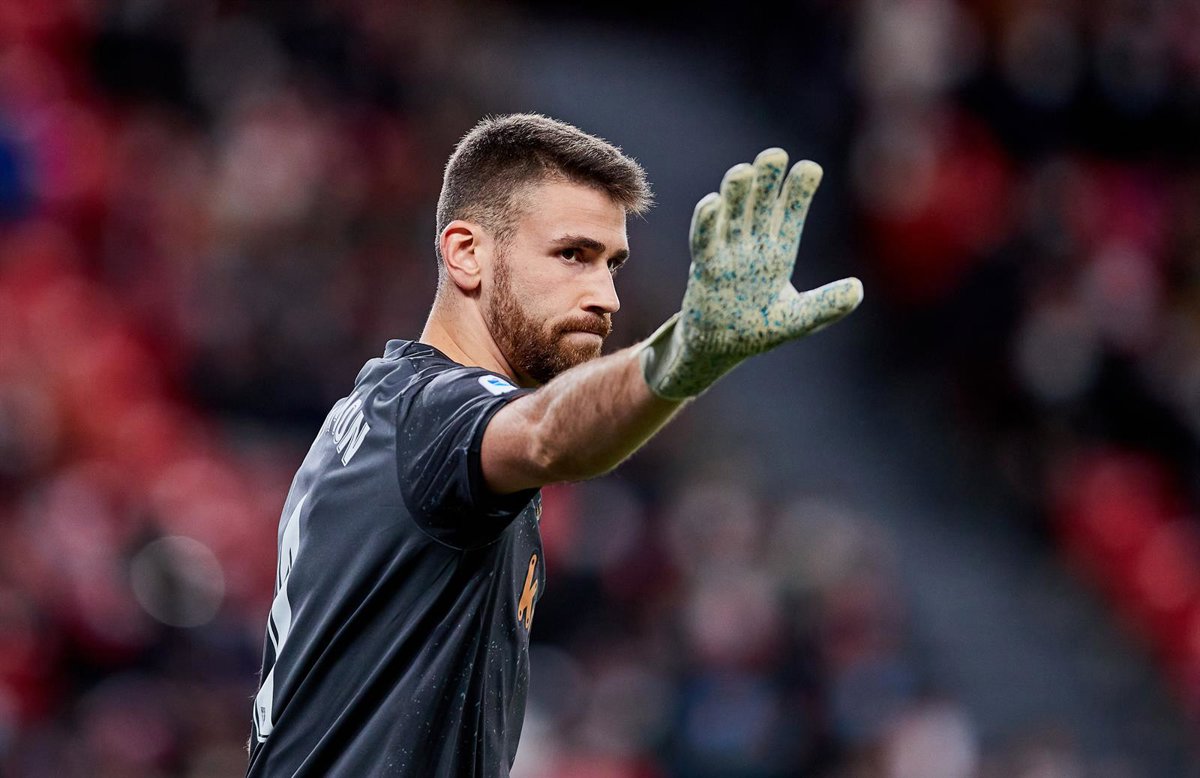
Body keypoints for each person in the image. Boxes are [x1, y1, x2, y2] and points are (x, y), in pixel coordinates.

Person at [245, 113, 863, 776]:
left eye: (613, 264)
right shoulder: (436, 414)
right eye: (572, 255)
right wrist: (687, 353)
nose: (606, 297)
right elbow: (545, 436)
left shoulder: (379, 410)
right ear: (466, 253)